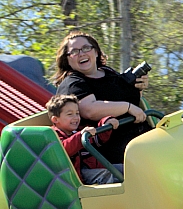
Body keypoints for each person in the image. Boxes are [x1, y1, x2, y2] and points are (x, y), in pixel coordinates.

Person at [53, 32, 149, 165]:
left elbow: (134, 104)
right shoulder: (72, 83)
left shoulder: (109, 73)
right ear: (67, 59)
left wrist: (138, 88)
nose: (81, 53)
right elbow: (89, 110)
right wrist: (127, 107)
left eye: (86, 48)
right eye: (74, 51)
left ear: (96, 52)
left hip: (142, 136)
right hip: (110, 150)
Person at [47, 94, 122, 184]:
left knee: (127, 168)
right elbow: (64, 149)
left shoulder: (79, 130)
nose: (76, 117)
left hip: (93, 167)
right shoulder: (53, 135)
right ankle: (111, 197)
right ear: (55, 119)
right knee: (105, 175)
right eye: (70, 114)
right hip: (77, 175)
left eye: (77, 113)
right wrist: (80, 136)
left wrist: (106, 122)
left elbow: (98, 138)